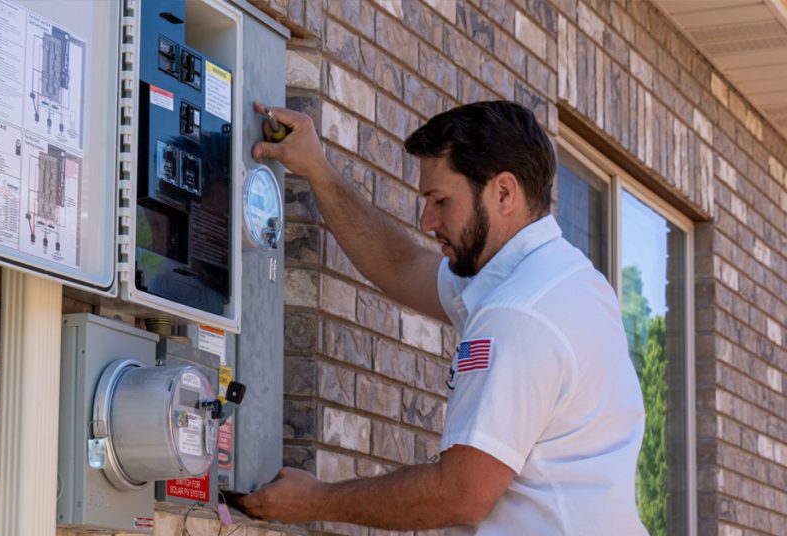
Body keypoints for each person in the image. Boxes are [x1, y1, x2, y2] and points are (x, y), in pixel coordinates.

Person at [239, 101, 647, 535]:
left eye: (441, 200)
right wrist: (317, 168)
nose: (426, 219)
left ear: (504, 193)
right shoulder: (565, 280)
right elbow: (399, 265)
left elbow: (460, 494)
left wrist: (314, 500)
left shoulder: (518, 314)